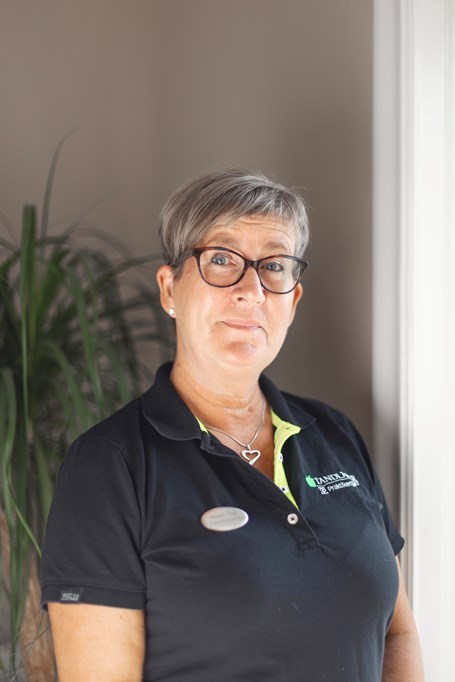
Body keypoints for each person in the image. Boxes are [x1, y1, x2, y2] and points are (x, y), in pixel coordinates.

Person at [40, 169, 424, 681]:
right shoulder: (110, 465)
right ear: (169, 288)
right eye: (221, 259)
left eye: (274, 265)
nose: (251, 290)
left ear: (293, 300)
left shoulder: (334, 434)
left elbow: (397, 632)